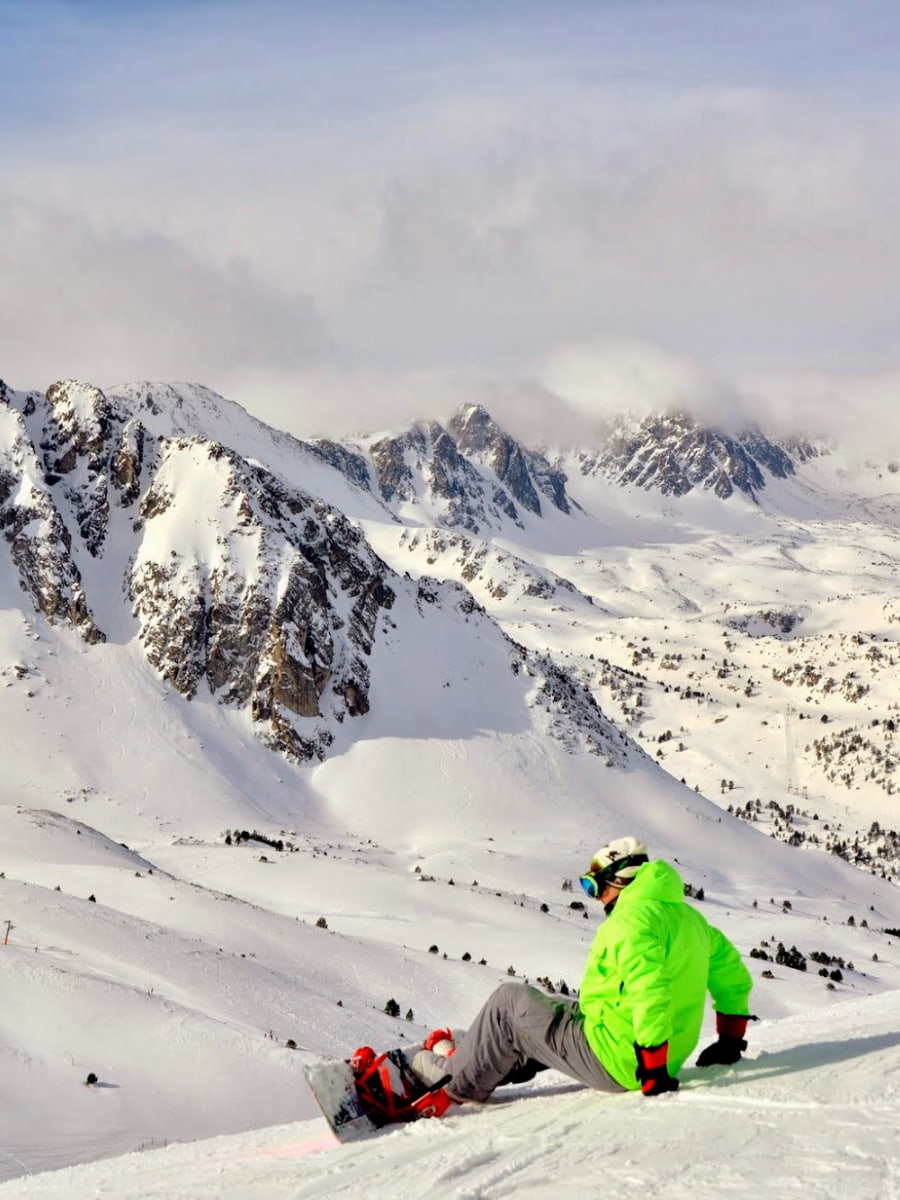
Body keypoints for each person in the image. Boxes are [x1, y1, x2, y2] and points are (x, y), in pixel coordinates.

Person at [411, 836, 753, 1109]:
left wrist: (653, 1068)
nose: (597, 899)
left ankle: (455, 1081)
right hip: (656, 1053)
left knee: (508, 1002)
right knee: (555, 1007)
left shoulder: (631, 921)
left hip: (624, 1061)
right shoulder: (690, 919)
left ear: (620, 880)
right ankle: (491, 1058)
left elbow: (650, 990)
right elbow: (733, 975)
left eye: (595, 887)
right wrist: (729, 1041)